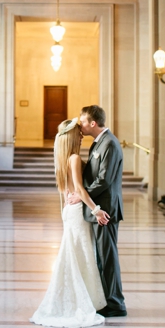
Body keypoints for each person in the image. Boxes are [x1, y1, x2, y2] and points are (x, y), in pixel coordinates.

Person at [30, 118, 109, 328]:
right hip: (76, 212)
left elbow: (69, 189)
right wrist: (97, 210)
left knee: (75, 254)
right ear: (72, 137)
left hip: (69, 210)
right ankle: (81, 302)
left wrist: (72, 196)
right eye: (79, 133)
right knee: (81, 254)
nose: (82, 135)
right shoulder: (73, 157)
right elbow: (80, 190)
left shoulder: (64, 157)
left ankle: (83, 298)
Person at [68, 104, 127, 317]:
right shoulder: (99, 142)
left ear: (93, 123)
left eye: (82, 121)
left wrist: (80, 195)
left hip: (106, 210)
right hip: (100, 207)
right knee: (102, 256)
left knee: (108, 256)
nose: (80, 125)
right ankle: (109, 299)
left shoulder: (109, 144)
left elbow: (104, 179)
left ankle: (116, 304)